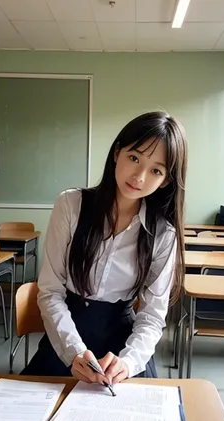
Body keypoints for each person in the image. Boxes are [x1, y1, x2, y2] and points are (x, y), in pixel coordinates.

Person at [21, 111, 187, 386]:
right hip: (66, 332)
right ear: (117, 152)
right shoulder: (71, 205)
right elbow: (50, 292)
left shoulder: (163, 234)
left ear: (166, 181)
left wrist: (129, 362)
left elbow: (152, 316)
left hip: (122, 342)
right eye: (134, 158)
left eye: (156, 170)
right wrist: (73, 352)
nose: (139, 176)